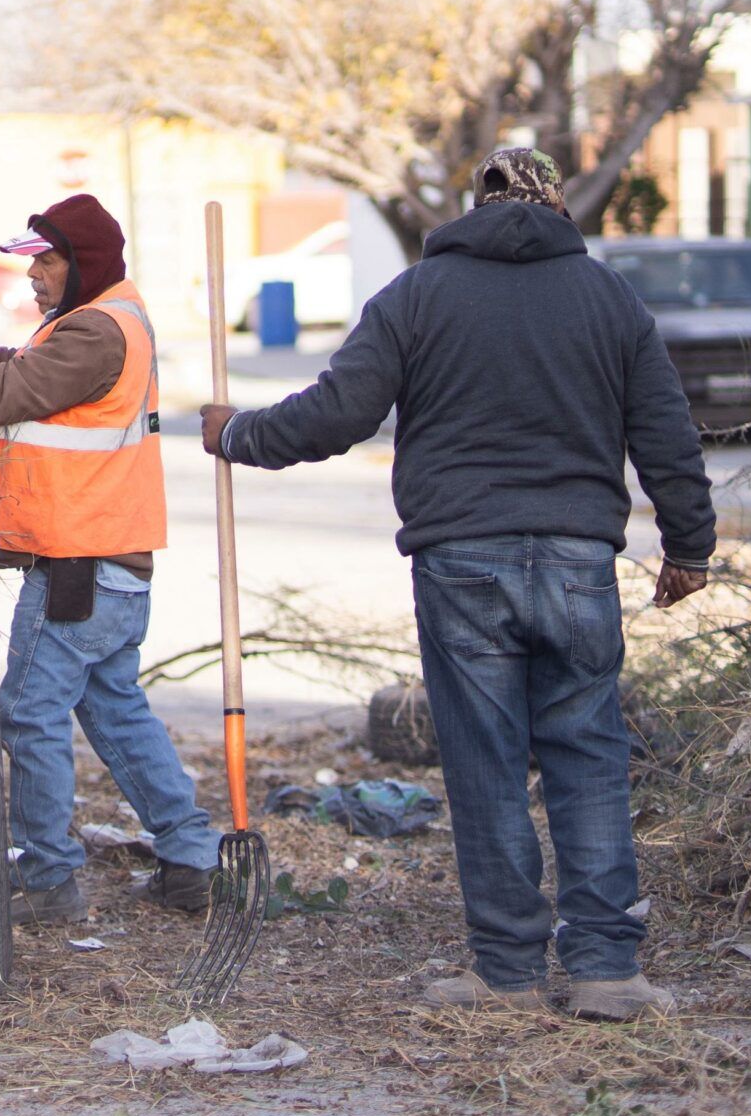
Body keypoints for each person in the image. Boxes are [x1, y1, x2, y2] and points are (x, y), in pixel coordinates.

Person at [201, 149, 715, 1020]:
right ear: (555, 203)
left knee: (486, 766)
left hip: (461, 561)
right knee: (588, 758)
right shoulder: (606, 297)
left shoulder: (416, 295)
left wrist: (236, 432)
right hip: (576, 560)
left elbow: (337, 413)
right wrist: (688, 544)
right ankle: (606, 972)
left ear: (473, 204)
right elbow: (665, 426)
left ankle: (508, 975)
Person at [0, 194, 220, 926]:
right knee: (115, 709)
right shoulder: (96, 321)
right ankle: (193, 859)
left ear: (83, 264)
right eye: (31, 263)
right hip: (105, 560)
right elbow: (8, 371)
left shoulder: (98, 331)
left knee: (29, 713)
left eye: (47, 262)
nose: (33, 276)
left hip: (79, 564)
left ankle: (50, 879)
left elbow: (5, 390)